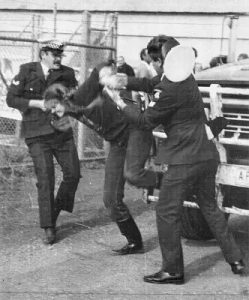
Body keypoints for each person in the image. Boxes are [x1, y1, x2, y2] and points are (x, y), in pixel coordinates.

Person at [104, 35, 245, 284]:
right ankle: (235, 258)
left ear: (163, 61)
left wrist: (120, 101)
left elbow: (146, 121)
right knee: (210, 207)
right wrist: (126, 80)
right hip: (206, 155)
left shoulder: (167, 89)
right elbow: (152, 83)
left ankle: (173, 270)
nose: (155, 67)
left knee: (166, 211)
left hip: (184, 159)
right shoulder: (187, 78)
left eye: (156, 62)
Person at [44, 62, 162, 255]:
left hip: (135, 130)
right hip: (118, 142)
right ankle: (135, 242)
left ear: (64, 97)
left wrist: (109, 73)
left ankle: (169, 181)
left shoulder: (82, 95)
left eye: (55, 106)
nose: (55, 112)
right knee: (110, 199)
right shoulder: (66, 109)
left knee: (134, 174)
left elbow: (100, 68)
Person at [6, 39, 81, 245]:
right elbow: (11, 99)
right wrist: (36, 103)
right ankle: (49, 226)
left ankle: (53, 211)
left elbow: (75, 98)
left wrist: (65, 106)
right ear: (43, 54)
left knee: (73, 174)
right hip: (37, 133)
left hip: (61, 132)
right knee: (46, 178)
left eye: (60, 55)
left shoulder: (67, 74)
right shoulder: (26, 71)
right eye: (54, 54)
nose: (58, 58)